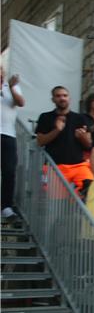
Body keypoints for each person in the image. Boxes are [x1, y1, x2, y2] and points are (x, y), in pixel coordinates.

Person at [35, 86, 93, 195]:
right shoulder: (45, 117)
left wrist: (82, 137)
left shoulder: (80, 118)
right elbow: (40, 141)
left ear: (69, 98)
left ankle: (75, 209)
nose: (62, 98)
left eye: (65, 95)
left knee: (91, 190)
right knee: (57, 205)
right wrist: (57, 130)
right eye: (58, 96)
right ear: (53, 99)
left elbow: (89, 144)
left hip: (78, 166)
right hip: (54, 166)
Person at [1, 67, 25, 219]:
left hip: (8, 135)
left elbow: (20, 102)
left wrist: (10, 87)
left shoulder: (11, 86)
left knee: (9, 171)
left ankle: (6, 206)